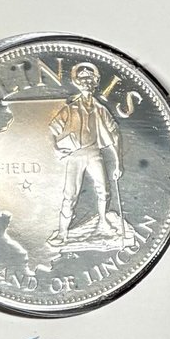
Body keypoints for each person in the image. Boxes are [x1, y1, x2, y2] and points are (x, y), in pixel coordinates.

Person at [49, 63, 122, 244]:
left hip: (94, 154)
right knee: (70, 195)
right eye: (83, 80)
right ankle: (62, 232)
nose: (86, 83)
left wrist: (118, 163)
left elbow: (114, 135)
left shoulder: (101, 109)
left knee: (104, 190)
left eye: (90, 80)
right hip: (75, 156)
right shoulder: (70, 108)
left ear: (95, 83)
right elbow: (53, 129)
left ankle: (103, 221)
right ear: (78, 83)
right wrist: (55, 148)